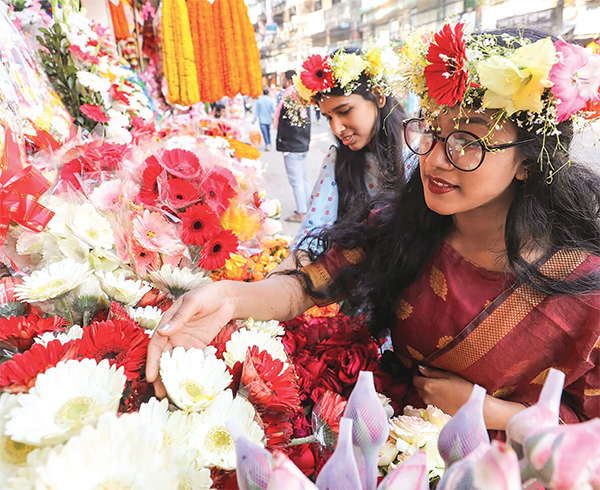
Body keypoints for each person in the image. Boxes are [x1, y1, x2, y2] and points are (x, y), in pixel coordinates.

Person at [147, 25, 600, 429]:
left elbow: (587, 429)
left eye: (468, 141)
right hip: (387, 439)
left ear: (528, 160)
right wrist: (226, 298)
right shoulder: (404, 225)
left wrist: (491, 412)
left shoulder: (583, 286)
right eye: (432, 132)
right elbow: (305, 287)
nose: (437, 159)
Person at [286, 47, 414, 249]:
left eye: (345, 111)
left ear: (378, 96)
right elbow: (312, 232)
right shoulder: (337, 160)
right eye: (328, 117)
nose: (336, 128)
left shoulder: (418, 154)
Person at [275, 69, 312, 223]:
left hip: (292, 146)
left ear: (289, 80)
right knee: (302, 179)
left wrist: (283, 141)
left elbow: (286, 124)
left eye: (283, 78)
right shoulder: (303, 95)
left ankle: (302, 213)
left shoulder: (289, 96)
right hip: (302, 144)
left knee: (296, 181)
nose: (282, 81)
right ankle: (308, 207)